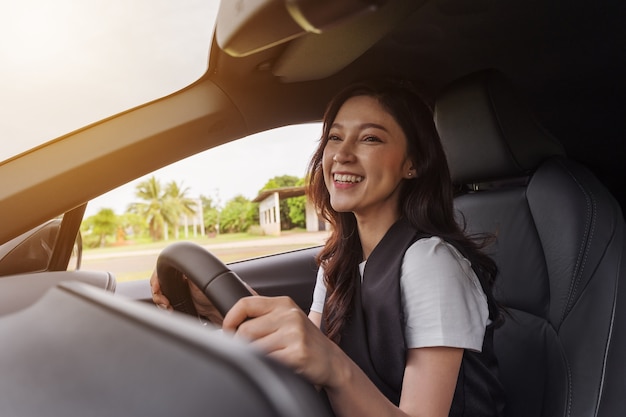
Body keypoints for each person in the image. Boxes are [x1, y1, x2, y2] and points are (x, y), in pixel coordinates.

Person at [151, 79, 505, 417]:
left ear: (412, 164)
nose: (342, 154)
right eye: (335, 137)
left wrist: (334, 366)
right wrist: (214, 312)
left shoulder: (432, 263)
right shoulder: (339, 261)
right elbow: (305, 367)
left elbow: (328, 364)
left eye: (370, 138)